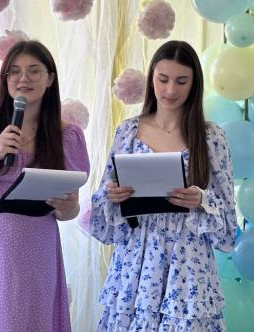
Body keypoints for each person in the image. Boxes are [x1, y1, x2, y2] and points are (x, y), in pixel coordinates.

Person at [91, 40, 238, 331]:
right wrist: (113, 196)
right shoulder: (128, 132)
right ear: (151, 79)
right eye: (163, 79)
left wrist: (202, 200)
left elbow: (228, 223)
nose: (171, 90)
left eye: (181, 81)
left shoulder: (211, 137)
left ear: (194, 84)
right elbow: (101, 210)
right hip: (136, 263)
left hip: (188, 266)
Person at [0, 40, 90, 332]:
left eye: (34, 71)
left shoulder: (67, 136)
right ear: (5, 78)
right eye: (15, 71)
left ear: (50, 78)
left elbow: (68, 211)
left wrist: (69, 206)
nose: (24, 78)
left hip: (36, 251)